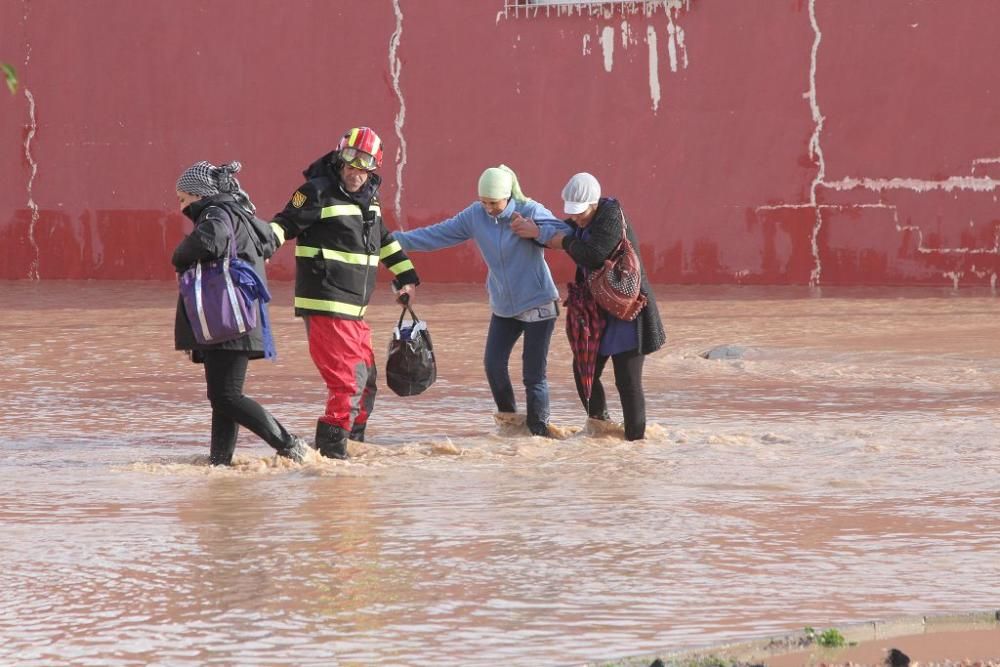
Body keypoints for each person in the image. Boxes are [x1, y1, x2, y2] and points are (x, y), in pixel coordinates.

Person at [268, 127, 420, 460]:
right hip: (326, 301)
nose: (355, 171)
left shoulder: (370, 198)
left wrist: (404, 276)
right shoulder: (316, 192)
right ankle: (329, 459)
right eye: (349, 162)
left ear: (374, 167)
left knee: (366, 382)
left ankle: (353, 447)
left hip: (353, 307)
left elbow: (382, 239)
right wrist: (259, 246)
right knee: (347, 383)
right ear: (339, 158)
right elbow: (284, 224)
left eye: (363, 165)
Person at [393, 165, 571, 437]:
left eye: (494, 203)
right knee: (493, 364)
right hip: (503, 307)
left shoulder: (530, 210)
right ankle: (510, 425)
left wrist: (536, 232)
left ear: (508, 196)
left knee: (533, 375)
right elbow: (437, 234)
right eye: (483, 202)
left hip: (538, 303)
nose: (488, 208)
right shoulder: (476, 215)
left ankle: (539, 433)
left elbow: (564, 233)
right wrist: (391, 242)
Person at [172, 160, 312, 465]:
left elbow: (211, 240)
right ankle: (220, 463)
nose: (181, 207)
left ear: (199, 195)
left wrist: (180, 254)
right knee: (222, 397)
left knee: (227, 396)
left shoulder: (214, 213)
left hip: (225, 318)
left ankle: (290, 445)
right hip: (242, 316)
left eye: (184, 199)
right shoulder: (242, 214)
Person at [528, 172, 665, 441]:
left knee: (627, 382)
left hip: (627, 313)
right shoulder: (582, 222)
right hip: (598, 315)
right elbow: (561, 229)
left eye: (581, 212)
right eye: (574, 213)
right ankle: (601, 429)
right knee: (584, 372)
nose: (577, 218)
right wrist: (533, 231)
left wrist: (564, 242)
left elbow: (593, 254)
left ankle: (635, 444)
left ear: (595, 203)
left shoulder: (611, 216)